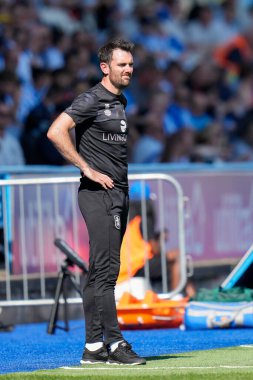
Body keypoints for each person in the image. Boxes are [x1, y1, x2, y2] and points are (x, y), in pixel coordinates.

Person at [47, 38, 146, 366]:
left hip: (119, 193)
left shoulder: (122, 101)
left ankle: (92, 347)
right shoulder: (91, 98)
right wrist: (87, 168)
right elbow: (56, 131)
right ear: (105, 67)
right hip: (98, 194)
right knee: (105, 273)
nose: (128, 69)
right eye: (122, 64)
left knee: (101, 273)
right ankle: (115, 344)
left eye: (130, 64)